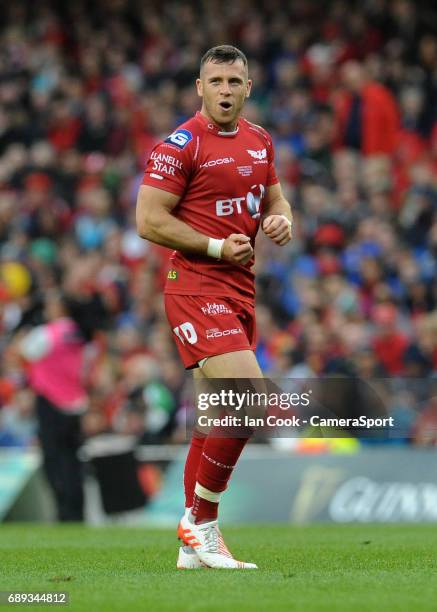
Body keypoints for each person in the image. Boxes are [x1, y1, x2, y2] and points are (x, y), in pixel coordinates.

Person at [136, 45, 293, 569]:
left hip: (239, 289)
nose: (226, 90)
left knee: (215, 413)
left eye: (235, 81)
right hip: (196, 285)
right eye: (216, 81)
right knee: (249, 398)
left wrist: (280, 220)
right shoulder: (180, 145)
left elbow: (274, 200)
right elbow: (149, 220)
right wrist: (215, 246)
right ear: (200, 88)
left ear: (248, 88)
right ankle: (201, 524)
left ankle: (193, 545)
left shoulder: (260, 140)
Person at [18, 290, 88, 521]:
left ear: (60, 308)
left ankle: (64, 511)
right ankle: (77, 512)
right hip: (75, 402)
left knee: (53, 460)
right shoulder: (77, 333)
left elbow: (22, 351)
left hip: (50, 401)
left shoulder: (48, 334)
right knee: (72, 461)